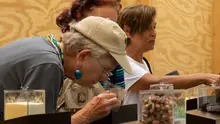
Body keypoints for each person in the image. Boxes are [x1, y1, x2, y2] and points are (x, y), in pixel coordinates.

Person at [0, 16, 133, 123]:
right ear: (84, 56)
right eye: (106, 69)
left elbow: (15, 115)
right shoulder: (48, 66)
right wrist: (84, 116)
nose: (105, 77)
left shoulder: (45, 49)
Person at [117, 5, 220, 105]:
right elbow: (154, 83)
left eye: (154, 27)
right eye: (147, 28)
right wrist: (204, 77)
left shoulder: (143, 62)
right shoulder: (123, 63)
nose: (153, 33)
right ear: (128, 31)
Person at [56, 0, 125, 113]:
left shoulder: (113, 58)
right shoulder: (62, 58)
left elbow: (118, 94)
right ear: (80, 16)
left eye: (113, 24)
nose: (107, 30)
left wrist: (114, 101)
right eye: (101, 21)